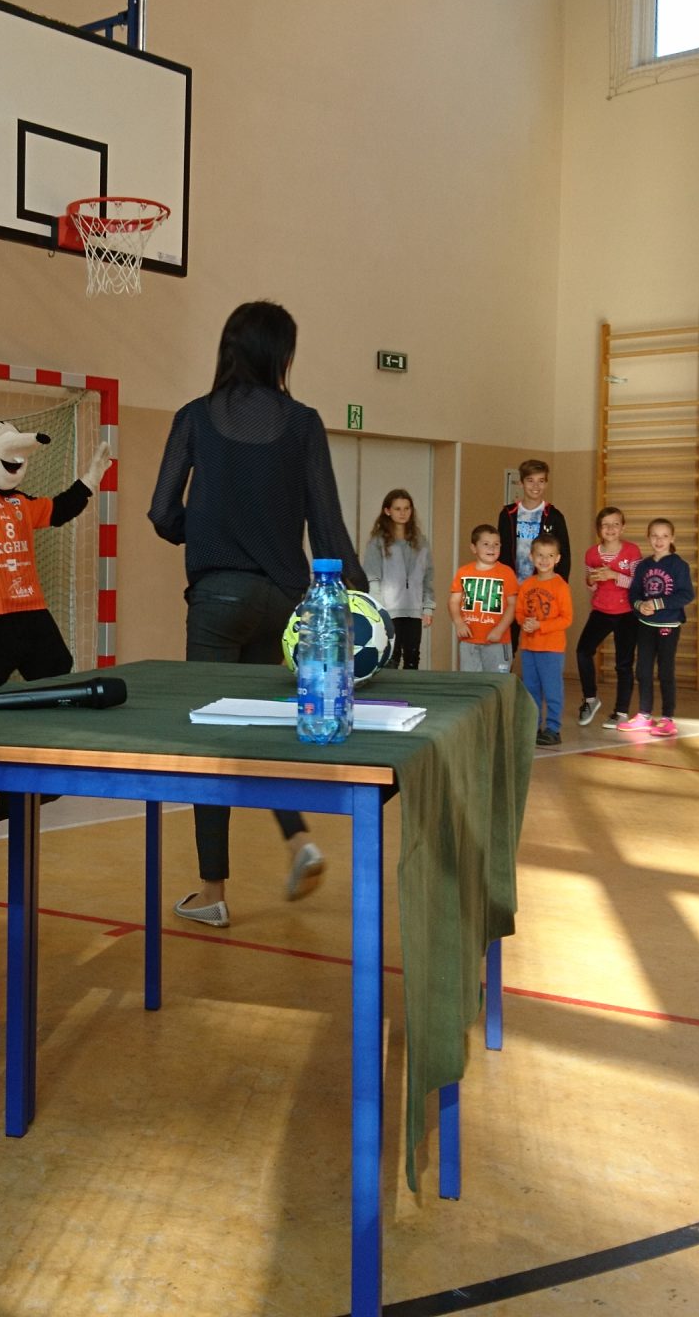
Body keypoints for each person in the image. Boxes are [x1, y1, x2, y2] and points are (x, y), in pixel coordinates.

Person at [148, 301, 363, 930]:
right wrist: (361, 600)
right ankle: (299, 840)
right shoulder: (304, 423)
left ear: (229, 348)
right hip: (283, 603)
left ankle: (213, 891)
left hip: (218, 598)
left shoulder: (193, 417)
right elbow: (327, 524)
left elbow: (162, 511)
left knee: (212, 742)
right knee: (265, 732)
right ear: (281, 355)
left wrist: (200, 532)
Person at [618, 517, 693, 737]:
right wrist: (640, 605)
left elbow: (686, 594)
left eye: (664, 536)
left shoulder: (679, 565)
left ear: (672, 538)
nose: (659, 541)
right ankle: (644, 715)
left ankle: (668, 718)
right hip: (645, 625)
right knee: (643, 670)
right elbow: (634, 593)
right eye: (655, 536)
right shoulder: (643, 566)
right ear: (648, 537)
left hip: (668, 625)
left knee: (665, 670)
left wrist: (658, 604)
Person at [575, 506, 640, 728]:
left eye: (615, 524)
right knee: (583, 651)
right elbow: (590, 585)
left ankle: (621, 712)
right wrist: (593, 580)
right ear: (598, 529)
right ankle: (590, 699)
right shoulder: (591, 554)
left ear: (623, 527)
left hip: (627, 614)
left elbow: (637, 585)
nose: (610, 529)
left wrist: (614, 575)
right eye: (605, 525)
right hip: (601, 611)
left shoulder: (632, 551)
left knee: (623, 664)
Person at [363, 489, 432, 671]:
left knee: (412, 657)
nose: (403, 513)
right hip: (389, 609)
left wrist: (428, 607)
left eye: (407, 508)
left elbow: (428, 576)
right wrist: (379, 608)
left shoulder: (421, 542)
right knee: (391, 657)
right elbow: (372, 577)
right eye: (398, 509)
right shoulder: (378, 542)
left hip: (414, 610)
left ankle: (411, 690)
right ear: (388, 511)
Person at [513, 535, 570, 746]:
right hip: (529, 647)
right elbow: (519, 612)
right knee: (531, 690)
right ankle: (533, 726)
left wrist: (541, 626)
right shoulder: (527, 584)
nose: (544, 560)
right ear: (531, 557)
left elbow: (566, 618)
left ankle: (553, 729)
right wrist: (525, 623)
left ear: (557, 559)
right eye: (540, 555)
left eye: (550, 556)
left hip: (551, 649)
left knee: (552, 690)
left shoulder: (560, 586)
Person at [450, 525, 514, 674]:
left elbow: (512, 605)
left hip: (498, 641)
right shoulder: (463, 572)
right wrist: (459, 623)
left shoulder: (506, 573)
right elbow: (453, 601)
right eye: (486, 544)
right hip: (469, 641)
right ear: (474, 548)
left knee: (497, 682)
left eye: (496, 544)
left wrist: (500, 629)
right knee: (471, 683)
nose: (492, 548)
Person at [496, 460, 572, 583]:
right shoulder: (507, 514)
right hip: (511, 584)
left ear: (546, 484)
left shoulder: (554, 516)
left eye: (540, 481)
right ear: (521, 483)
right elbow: (501, 550)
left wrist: (559, 584)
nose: (535, 486)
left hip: (543, 584)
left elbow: (564, 554)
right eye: (530, 480)